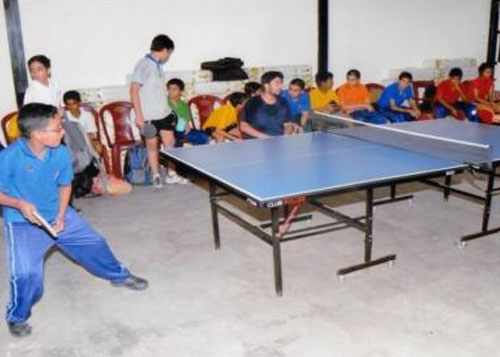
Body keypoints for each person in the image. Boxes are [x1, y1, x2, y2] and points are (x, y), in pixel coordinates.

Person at [0, 103, 147, 338]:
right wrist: (19, 204)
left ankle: (118, 276)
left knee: (95, 244)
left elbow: (65, 184)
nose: (63, 132)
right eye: (57, 129)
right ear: (36, 134)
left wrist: (60, 215)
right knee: (25, 274)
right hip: (22, 222)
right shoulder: (8, 157)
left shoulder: (59, 151)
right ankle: (17, 317)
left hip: (57, 213)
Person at [130, 34, 187, 189]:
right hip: (148, 116)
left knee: (170, 143)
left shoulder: (158, 66)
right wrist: (139, 117)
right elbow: (134, 91)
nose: (168, 56)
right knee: (152, 145)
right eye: (168, 52)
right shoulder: (143, 65)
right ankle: (156, 176)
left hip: (164, 114)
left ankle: (171, 174)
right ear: (163, 49)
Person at [240, 71, 300, 138]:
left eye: (281, 83)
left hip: (279, 141)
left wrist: (285, 136)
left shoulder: (283, 101)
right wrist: (268, 138)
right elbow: (244, 126)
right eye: (277, 84)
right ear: (266, 85)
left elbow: (288, 124)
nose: (280, 86)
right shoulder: (252, 102)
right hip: (257, 142)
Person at [63, 90, 111, 172]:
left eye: (74, 104)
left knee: (97, 146)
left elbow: (91, 134)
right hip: (71, 143)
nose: (71, 107)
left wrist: (88, 141)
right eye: (68, 105)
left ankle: (94, 168)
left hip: (86, 140)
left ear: (79, 103)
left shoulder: (87, 115)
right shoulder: (64, 117)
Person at [166, 78, 209, 147]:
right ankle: (177, 153)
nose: (171, 91)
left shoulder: (183, 105)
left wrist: (186, 128)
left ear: (181, 91)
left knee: (204, 136)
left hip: (181, 130)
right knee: (178, 138)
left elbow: (185, 120)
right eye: (169, 89)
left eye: (174, 89)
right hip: (169, 130)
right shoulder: (164, 102)